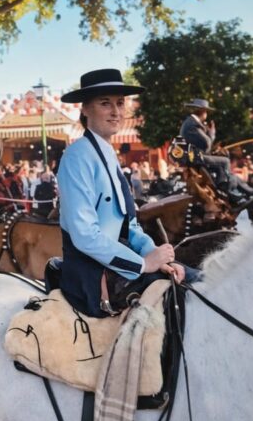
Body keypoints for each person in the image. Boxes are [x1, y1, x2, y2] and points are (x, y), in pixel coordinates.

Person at [58, 69, 184, 317]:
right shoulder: (77, 156)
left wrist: (154, 255)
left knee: (187, 279)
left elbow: (129, 225)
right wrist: (143, 264)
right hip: (91, 276)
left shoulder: (107, 154)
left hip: (117, 266)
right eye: (105, 103)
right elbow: (85, 236)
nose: (116, 111)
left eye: (120, 103)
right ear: (84, 109)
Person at [179, 98, 253, 196]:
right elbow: (206, 145)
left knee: (221, 167)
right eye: (206, 111)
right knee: (225, 161)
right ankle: (228, 189)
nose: (207, 114)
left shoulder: (191, 123)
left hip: (194, 156)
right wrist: (212, 134)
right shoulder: (193, 124)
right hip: (195, 158)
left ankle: (228, 186)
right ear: (202, 111)